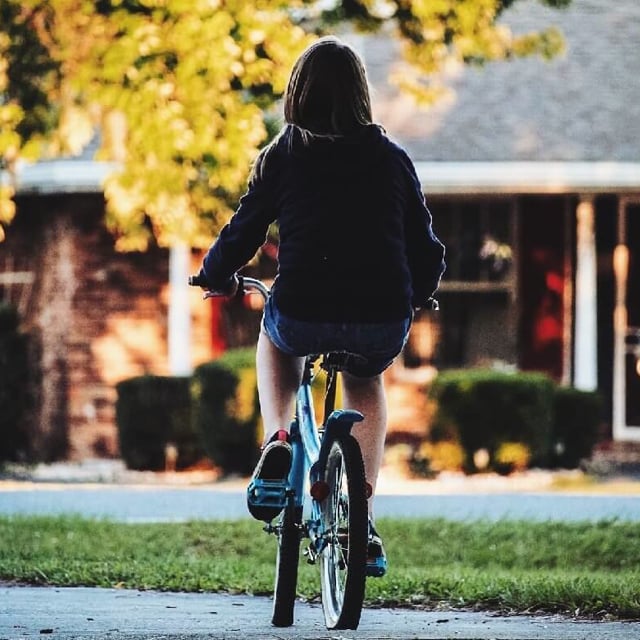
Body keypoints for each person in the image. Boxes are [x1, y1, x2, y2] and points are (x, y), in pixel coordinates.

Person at [196, 36, 445, 576]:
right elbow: (424, 244)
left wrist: (216, 275)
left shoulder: (283, 156)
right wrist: (424, 290)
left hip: (304, 308)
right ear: (361, 94)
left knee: (275, 337)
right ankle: (364, 518)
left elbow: (243, 231)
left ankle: (279, 438)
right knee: (365, 382)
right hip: (381, 316)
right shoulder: (392, 160)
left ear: (296, 95)